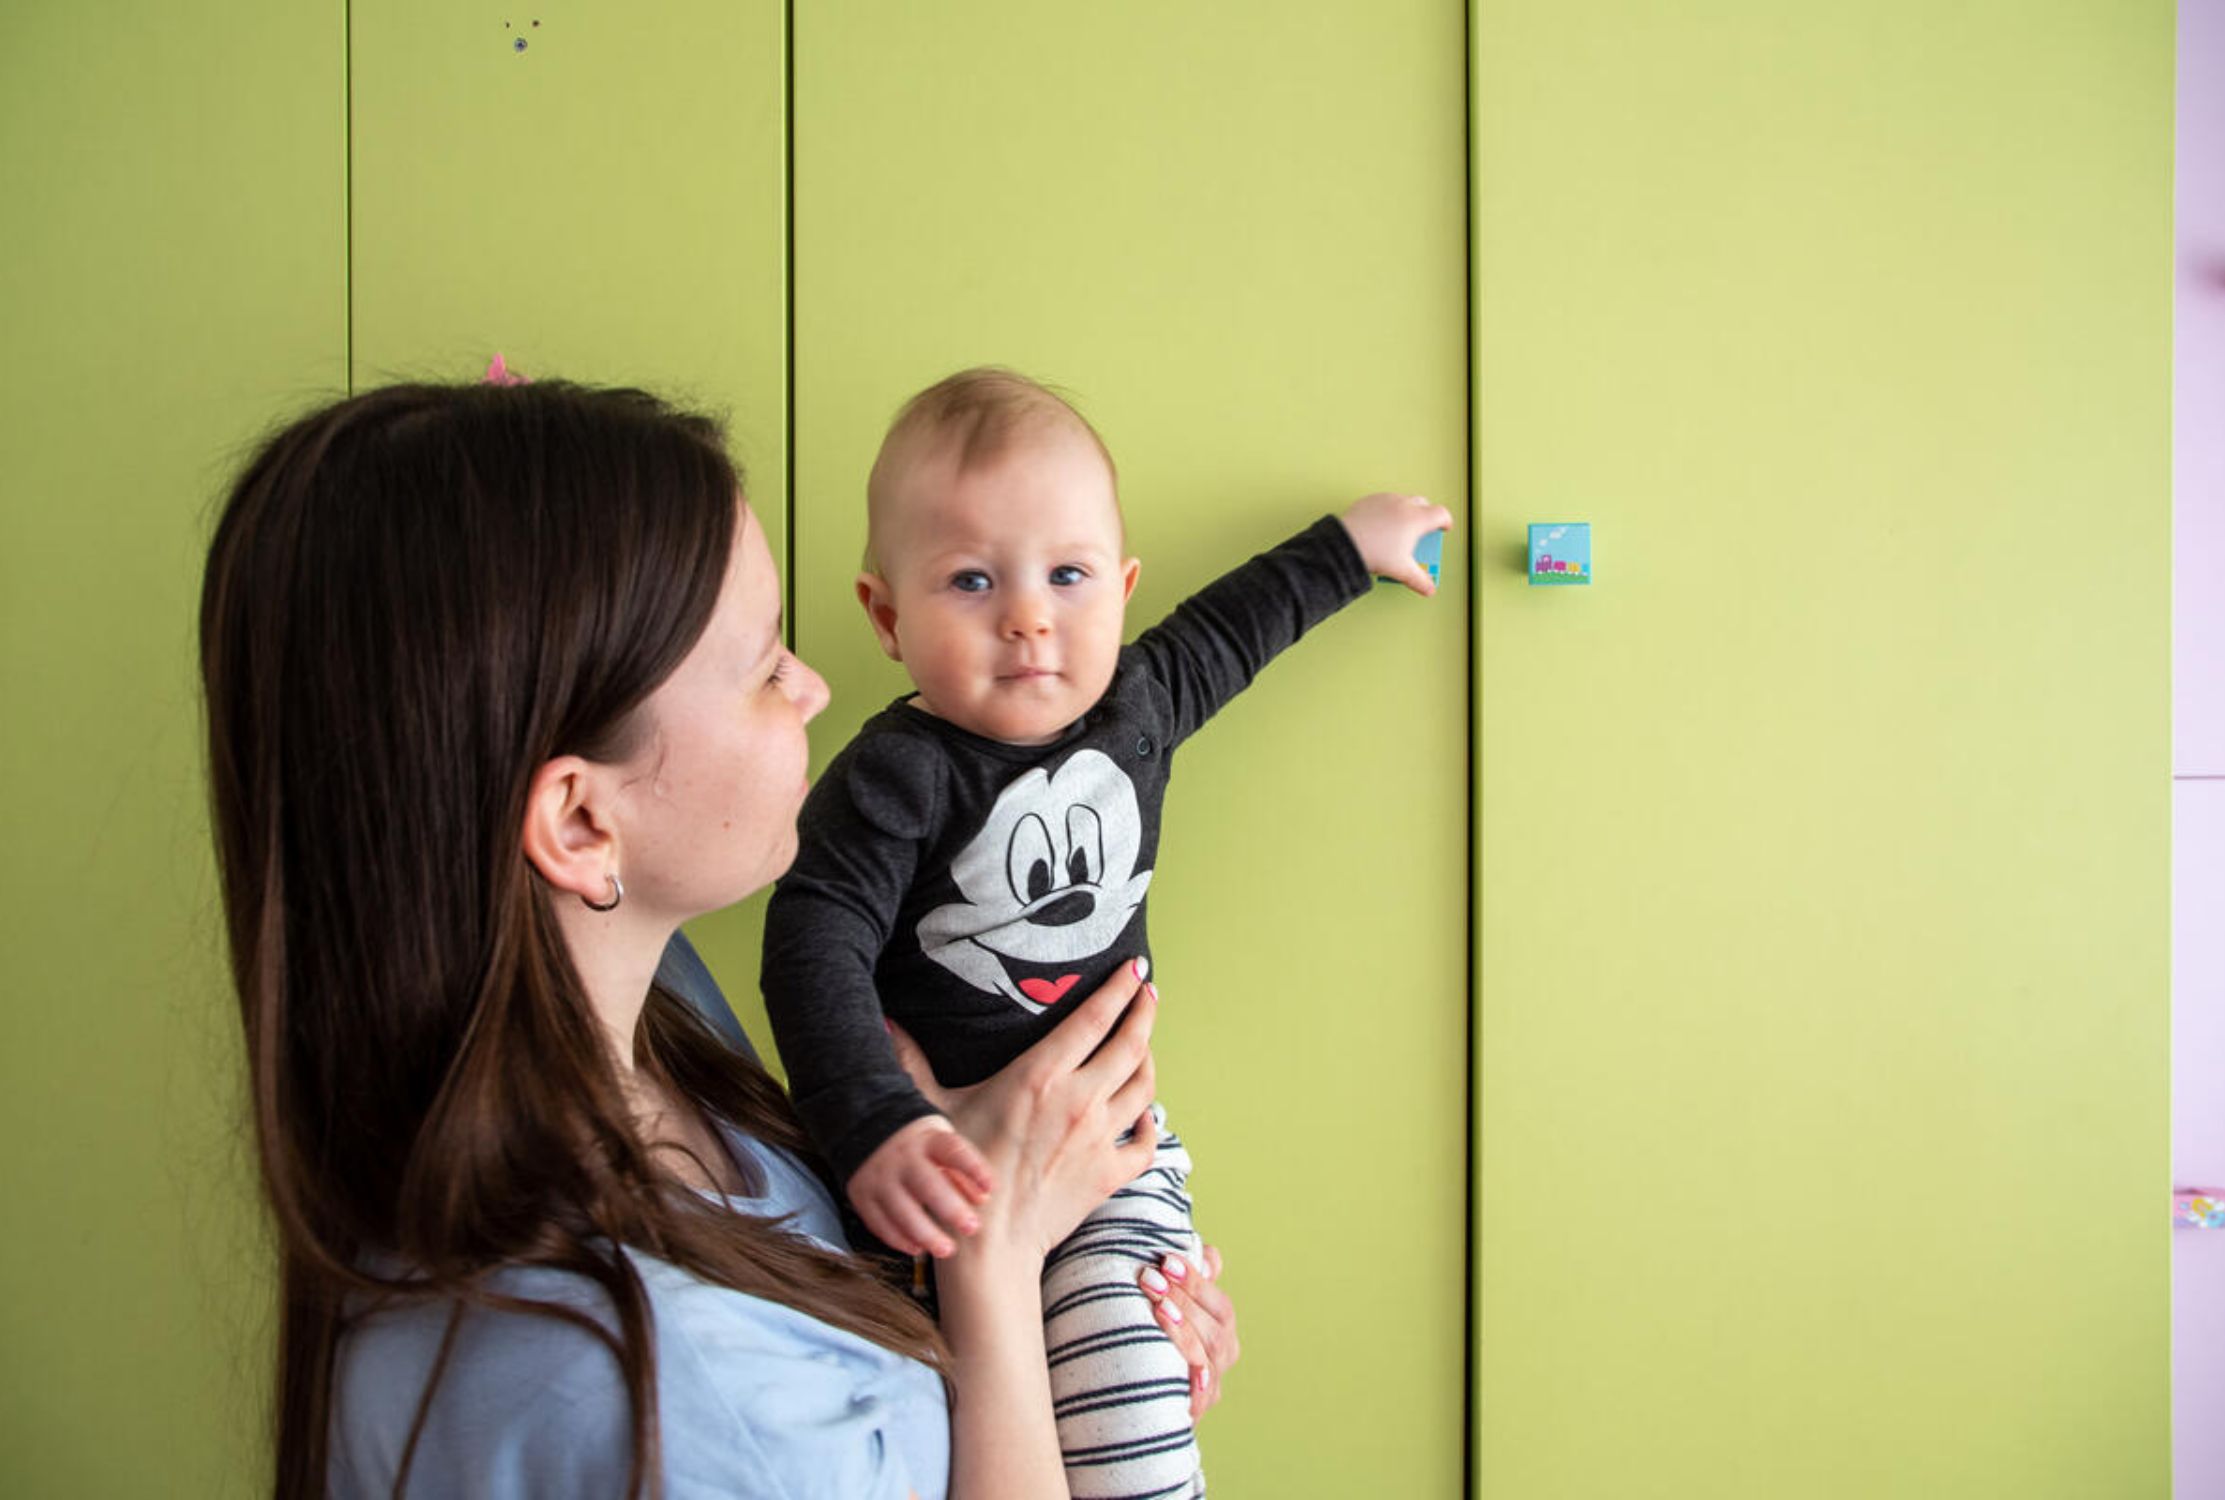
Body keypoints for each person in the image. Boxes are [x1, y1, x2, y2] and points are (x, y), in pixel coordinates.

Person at [196, 378, 1239, 1500]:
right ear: (582, 823)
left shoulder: (633, 1027)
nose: (815, 686)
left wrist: (1080, 1338)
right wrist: (998, 1257)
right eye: (764, 665)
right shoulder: (672, 1404)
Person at [760, 367, 1449, 1497]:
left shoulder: (1136, 702)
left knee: (1140, 1378)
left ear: (1120, 591)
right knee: (929, 1426)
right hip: (916, 1177)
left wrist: (1346, 549)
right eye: (971, 580)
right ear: (886, 615)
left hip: (1110, 1155)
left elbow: (1235, 627)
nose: (1029, 617)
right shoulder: (896, 773)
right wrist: (873, 1123)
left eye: (1067, 577)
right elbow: (811, 937)